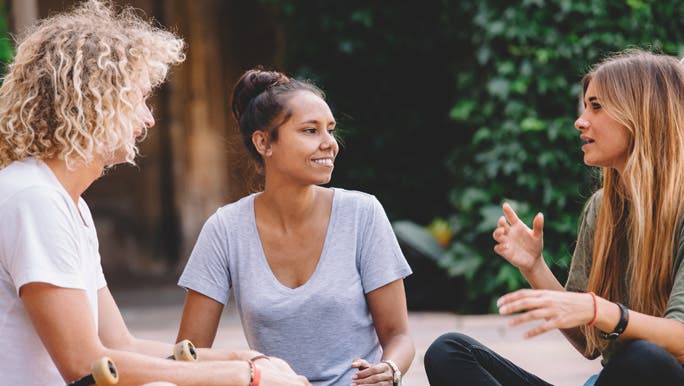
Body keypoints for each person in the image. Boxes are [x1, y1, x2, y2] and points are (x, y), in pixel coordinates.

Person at [0, 1, 309, 385]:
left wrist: (246, 358)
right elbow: (86, 366)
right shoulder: (34, 199)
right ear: (95, 101)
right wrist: (245, 377)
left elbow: (120, 344)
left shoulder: (66, 203)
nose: (148, 118)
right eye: (139, 98)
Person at [424, 50, 684, 386]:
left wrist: (598, 310)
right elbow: (588, 342)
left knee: (645, 359)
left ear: (642, 114)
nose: (581, 120)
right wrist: (534, 267)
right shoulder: (602, 208)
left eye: (597, 106)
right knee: (449, 351)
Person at [176, 68, 415, 386]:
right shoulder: (226, 229)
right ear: (263, 142)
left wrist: (390, 370)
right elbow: (188, 355)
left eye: (330, 130)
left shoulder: (362, 213)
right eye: (310, 131)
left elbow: (399, 336)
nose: (330, 144)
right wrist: (247, 372)